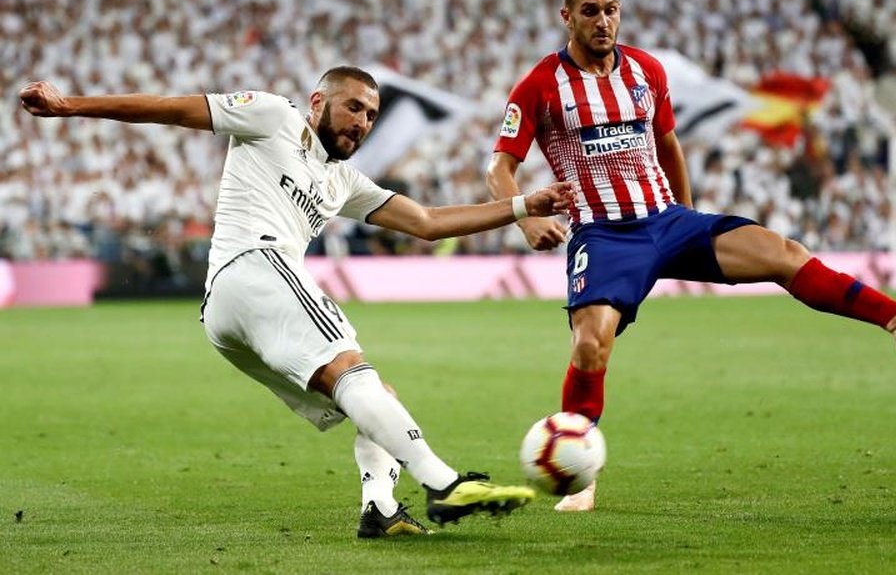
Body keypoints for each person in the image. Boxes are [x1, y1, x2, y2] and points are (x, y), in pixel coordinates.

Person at [486, 0, 896, 513]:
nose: (604, 21)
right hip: (605, 235)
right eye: (591, 11)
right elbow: (500, 168)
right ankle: (583, 473)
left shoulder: (646, 70)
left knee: (784, 254)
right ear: (567, 16)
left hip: (667, 221)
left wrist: (685, 219)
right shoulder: (539, 85)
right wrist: (525, 217)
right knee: (591, 342)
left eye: (612, 9)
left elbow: (668, 145)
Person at [20, 67, 576, 537]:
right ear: (319, 102)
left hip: (229, 312)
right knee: (354, 371)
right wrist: (70, 106)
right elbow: (171, 108)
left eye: (370, 116)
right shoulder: (273, 117)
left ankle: (380, 509)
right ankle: (443, 483)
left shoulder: (343, 181)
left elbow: (427, 223)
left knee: (371, 393)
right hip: (254, 266)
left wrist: (523, 205)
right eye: (353, 107)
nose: (361, 122)